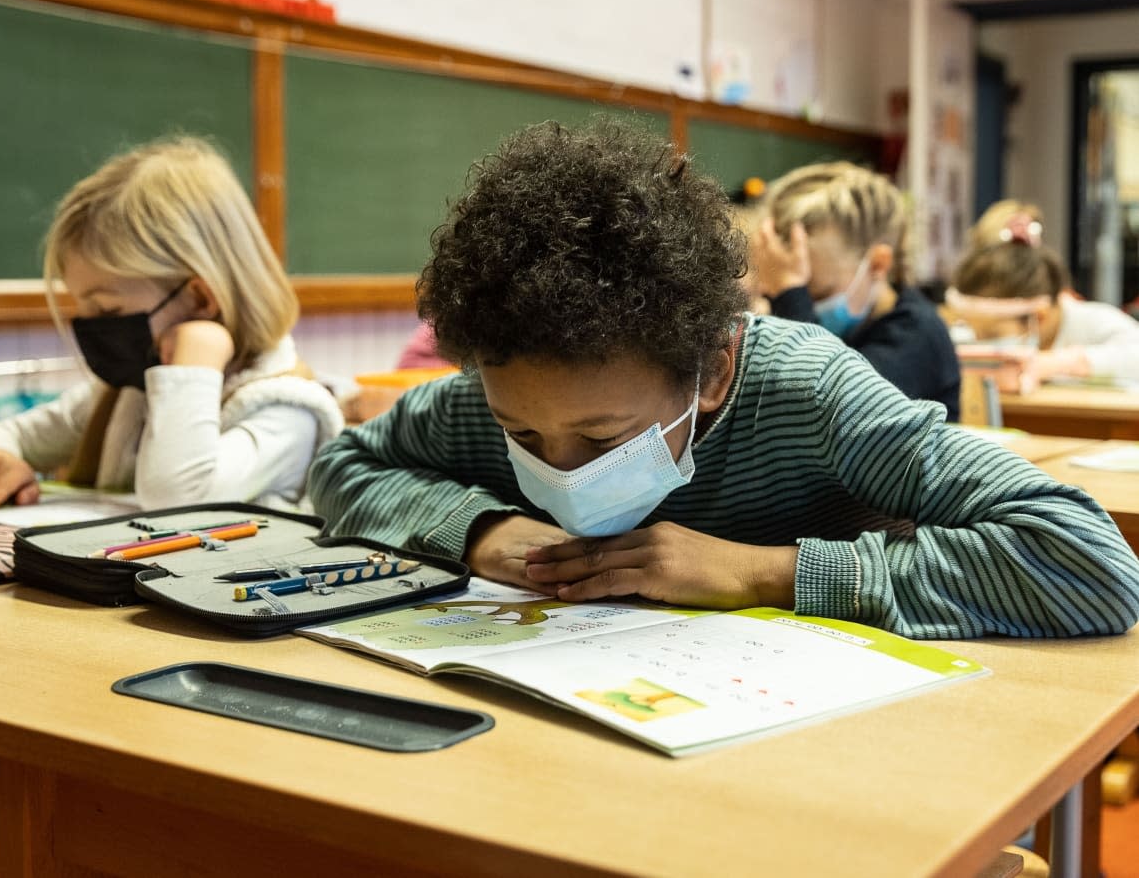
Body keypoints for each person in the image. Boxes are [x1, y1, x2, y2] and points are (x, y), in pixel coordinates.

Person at [308, 119, 1139, 640]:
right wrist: (481, 530)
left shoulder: (813, 393)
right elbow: (342, 465)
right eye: (524, 437)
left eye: (602, 437)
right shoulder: (494, 392)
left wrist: (760, 571)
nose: (559, 467)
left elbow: (1089, 561)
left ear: (712, 369)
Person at [0, 137, 344, 512]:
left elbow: (176, 498)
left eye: (108, 311)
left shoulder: (285, 410)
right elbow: (5, 433)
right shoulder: (125, 393)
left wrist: (193, 365)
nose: (90, 329)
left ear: (201, 299)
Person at [746, 161, 961, 421]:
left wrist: (791, 295)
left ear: (878, 264)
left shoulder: (917, 334)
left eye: (815, 293)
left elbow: (821, 414)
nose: (801, 305)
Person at [949, 211, 1139, 386]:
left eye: (992, 335)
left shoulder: (1097, 321)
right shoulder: (969, 334)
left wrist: (1059, 364)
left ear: (1039, 316)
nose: (980, 344)